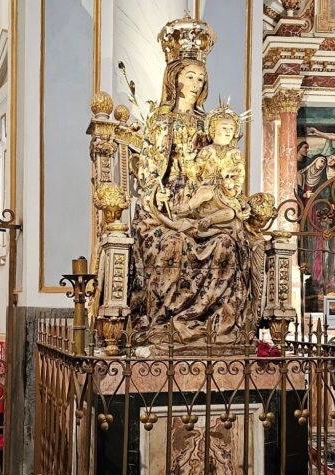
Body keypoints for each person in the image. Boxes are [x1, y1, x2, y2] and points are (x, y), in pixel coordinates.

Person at [130, 15, 264, 348]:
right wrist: (157, 192)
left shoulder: (209, 123)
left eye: (200, 77)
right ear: (174, 78)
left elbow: (221, 167)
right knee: (173, 243)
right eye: (189, 75)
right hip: (166, 204)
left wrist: (226, 195)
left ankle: (217, 328)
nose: (195, 82)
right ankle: (166, 324)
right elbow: (149, 167)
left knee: (228, 243)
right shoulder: (161, 120)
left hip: (204, 203)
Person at [176, 103, 249, 233]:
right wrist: (188, 159)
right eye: (224, 127)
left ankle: (208, 220)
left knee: (231, 213)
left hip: (225, 194)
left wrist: (232, 187)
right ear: (213, 128)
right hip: (206, 189)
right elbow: (194, 173)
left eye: (231, 128)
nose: (228, 131)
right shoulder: (207, 151)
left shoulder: (236, 154)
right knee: (207, 193)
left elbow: (239, 178)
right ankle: (187, 207)